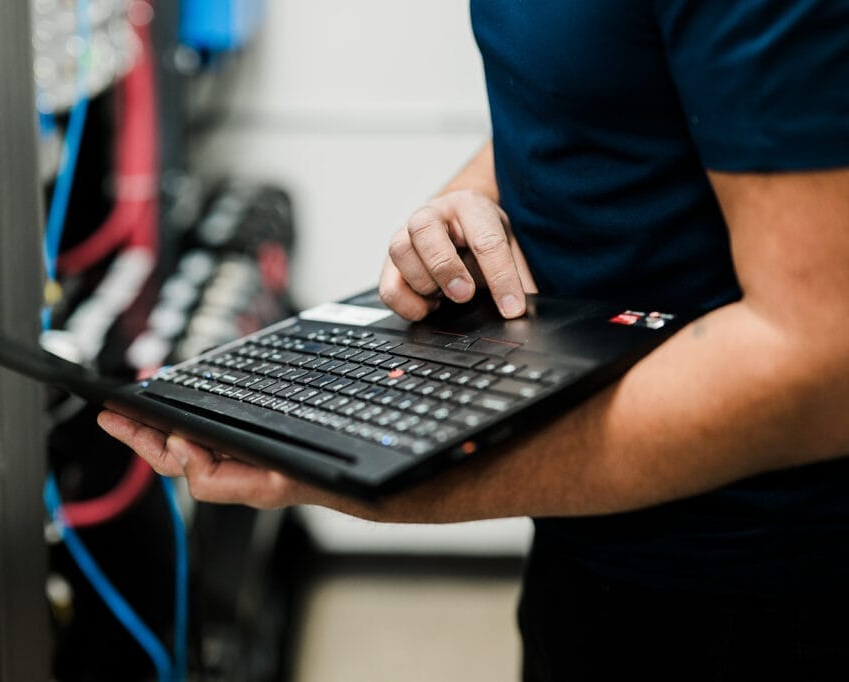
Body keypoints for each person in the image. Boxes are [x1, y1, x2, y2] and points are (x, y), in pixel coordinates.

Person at [99, 1, 849, 678]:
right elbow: (609, 81)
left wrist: (395, 472)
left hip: (758, 591)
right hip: (589, 545)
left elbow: (822, 362)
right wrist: (470, 200)